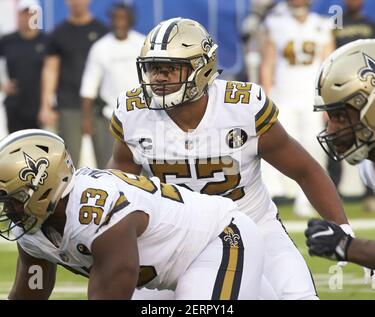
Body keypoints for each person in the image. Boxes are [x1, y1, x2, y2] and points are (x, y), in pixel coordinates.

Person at [107, 17, 350, 300]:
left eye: (169, 68)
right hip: (179, 238)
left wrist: (343, 231)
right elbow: (118, 186)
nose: (157, 78)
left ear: (202, 67)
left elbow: (305, 170)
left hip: (256, 227)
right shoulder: (134, 114)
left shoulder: (241, 108)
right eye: (151, 68)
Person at [0, 129, 265, 300]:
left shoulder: (96, 212)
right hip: (161, 275)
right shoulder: (32, 229)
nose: (8, 209)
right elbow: (28, 295)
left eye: (13, 199)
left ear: (44, 185)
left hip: (219, 240)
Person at [304, 39, 375, 273]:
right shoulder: (368, 166)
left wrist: (347, 247)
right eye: (331, 117)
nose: (332, 130)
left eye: (342, 117)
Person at [260, 0, 335, 216]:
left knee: (314, 147)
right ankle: (275, 195)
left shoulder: (322, 24)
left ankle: (308, 198)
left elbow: (329, 65)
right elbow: (268, 62)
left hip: (312, 98)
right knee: (278, 146)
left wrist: (328, 100)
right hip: (283, 95)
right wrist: (266, 95)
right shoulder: (276, 23)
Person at [39, 0, 108, 165]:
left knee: (108, 163)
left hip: (99, 106)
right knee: (68, 164)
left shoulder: (103, 31)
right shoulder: (58, 33)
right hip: (69, 105)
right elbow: (50, 70)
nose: (77, 2)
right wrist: (46, 106)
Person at [80, 3, 144, 169]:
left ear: (131, 20)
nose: (119, 23)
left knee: (143, 166)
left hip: (142, 115)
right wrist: (86, 118)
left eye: (123, 19)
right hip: (112, 118)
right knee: (112, 167)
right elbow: (89, 86)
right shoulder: (100, 47)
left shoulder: (142, 43)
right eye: (115, 18)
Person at [331, 0, 375, 211]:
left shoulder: (369, 23)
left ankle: (369, 194)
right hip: (341, 86)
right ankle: (334, 190)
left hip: (366, 87)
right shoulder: (337, 23)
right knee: (340, 135)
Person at [0, 0, 47, 133]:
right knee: (16, 148)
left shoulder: (47, 41)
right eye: (25, 14)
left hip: (40, 107)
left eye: (32, 13)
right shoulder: (7, 41)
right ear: (19, 15)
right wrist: (1, 85)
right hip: (15, 106)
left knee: (41, 149)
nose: (28, 17)